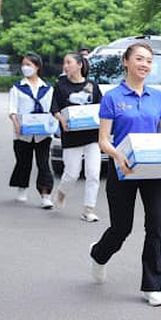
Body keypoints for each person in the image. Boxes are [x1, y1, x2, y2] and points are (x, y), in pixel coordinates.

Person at [89, 42, 161, 307]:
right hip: (122, 169)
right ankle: (99, 255)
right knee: (122, 228)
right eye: (140, 59)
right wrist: (119, 156)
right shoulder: (112, 98)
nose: (145, 64)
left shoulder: (158, 97)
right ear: (126, 62)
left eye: (149, 61)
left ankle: (153, 285)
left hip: (154, 170)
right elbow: (103, 140)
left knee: (156, 224)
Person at [50, 52, 103, 222]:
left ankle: (88, 209)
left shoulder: (92, 85)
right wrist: (61, 120)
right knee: (72, 174)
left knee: (93, 173)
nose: (65, 66)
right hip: (71, 136)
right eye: (64, 63)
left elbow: (101, 108)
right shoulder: (60, 85)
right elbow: (55, 108)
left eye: (68, 62)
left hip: (92, 135)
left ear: (79, 65)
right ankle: (61, 193)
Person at [8, 53, 55, 208]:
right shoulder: (17, 88)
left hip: (42, 134)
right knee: (23, 162)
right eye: (23, 65)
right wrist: (16, 125)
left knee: (43, 163)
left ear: (37, 67)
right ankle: (22, 187)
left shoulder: (47, 89)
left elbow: (52, 110)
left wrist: (52, 126)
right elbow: (12, 109)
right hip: (22, 133)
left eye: (29, 64)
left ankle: (45, 195)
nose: (25, 68)